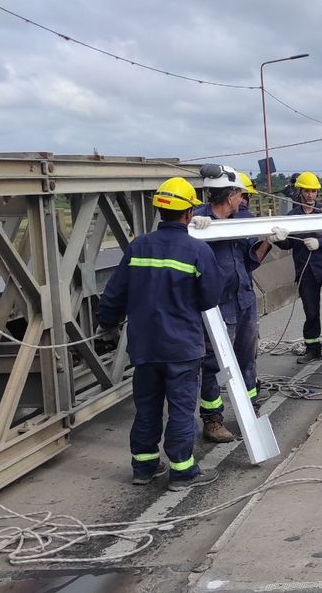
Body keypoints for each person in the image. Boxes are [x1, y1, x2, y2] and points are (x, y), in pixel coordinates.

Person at [97, 177, 223, 490]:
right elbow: (210, 298)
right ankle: (182, 471)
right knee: (181, 408)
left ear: (159, 209)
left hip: (144, 345)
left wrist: (107, 324)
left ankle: (144, 467)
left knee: (147, 405)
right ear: (189, 212)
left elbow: (114, 294)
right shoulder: (197, 251)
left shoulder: (138, 247)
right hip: (181, 346)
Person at [188, 164, 273, 443]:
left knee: (247, 358)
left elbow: (250, 262)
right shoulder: (198, 220)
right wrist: (192, 232)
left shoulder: (241, 220)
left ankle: (250, 407)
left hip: (244, 300)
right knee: (214, 365)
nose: (243, 200)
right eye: (240, 194)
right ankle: (212, 420)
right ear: (229, 195)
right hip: (216, 307)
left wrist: (267, 241)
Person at [272, 171, 322, 364]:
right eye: (307, 191)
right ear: (300, 191)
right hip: (306, 272)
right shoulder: (292, 216)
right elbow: (288, 244)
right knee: (311, 312)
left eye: (314, 191)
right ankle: (313, 349)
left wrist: (320, 242)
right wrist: (279, 240)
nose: (311, 195)